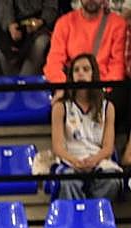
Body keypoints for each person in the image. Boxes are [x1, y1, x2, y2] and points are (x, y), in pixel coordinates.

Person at [51, 53, 121, 201]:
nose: (81, 73)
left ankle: (94, 217)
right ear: (71, 76)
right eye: (76, 70)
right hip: (70, 159)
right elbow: (58, 147)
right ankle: (77, 219)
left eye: (85, 69)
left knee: (113, 180)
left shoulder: (107, 107)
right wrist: (75, 161)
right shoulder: (60, 107)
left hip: (98, 159)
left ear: (93, 74)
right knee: (68, 181)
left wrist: (93, 160)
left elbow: (108, 148)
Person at [43, 0, 125, 85]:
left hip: (103, 88)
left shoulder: (117, 24)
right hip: (71, 86)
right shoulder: (64, 23)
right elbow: (54, 62)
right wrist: (63, 88)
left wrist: (102, 91)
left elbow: (117, 66)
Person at [0, 0, 54, 76]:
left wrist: (40, 21)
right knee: (2, 44)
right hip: (15, 23)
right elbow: (5, 6)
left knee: (40, 43)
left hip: (41, 24)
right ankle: (12, 82)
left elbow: (52, 8)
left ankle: (24, 83)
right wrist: (11, 25)